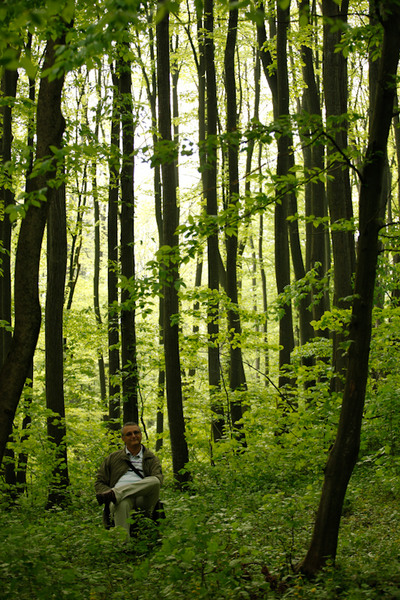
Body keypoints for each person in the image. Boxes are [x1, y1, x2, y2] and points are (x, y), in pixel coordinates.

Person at [95, 422, 163, 538]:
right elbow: (99, 482)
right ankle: (123, 544)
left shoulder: (151, 458)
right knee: (121, 503)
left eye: (136, 432)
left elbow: (159, 479)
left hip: (144, 499)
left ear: (141, 435)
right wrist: (106, 491)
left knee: (155, 481)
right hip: (122, 500)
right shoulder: (113, 458)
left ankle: (116, 494)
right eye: (129, 434)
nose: (133, 436)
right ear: (123, 438)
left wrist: (115, 493)